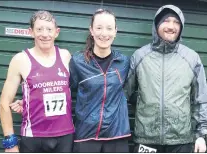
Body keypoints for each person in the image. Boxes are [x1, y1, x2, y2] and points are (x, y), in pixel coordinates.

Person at [10, 9, 131, 153]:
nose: (104, 33)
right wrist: (30, 102)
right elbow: (60, 88)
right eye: (99, 28)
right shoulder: (78, 61)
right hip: (86, 136)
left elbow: (130, 90)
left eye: (109, 28)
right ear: (91, 30)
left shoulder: (124, 62)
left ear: (115, 31)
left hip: (117, 136)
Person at [125, 5, 207, 153]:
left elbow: (201, 99)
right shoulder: (139, 56)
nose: (171, 26)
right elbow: (125, 93)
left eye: (176, 22)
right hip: (145, 139)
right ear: (157, 24)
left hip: (180, 141)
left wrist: (201, 134)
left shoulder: (191, 58)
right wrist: (144, 102)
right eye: (166, 21)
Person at [0, 10, 74, 152]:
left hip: (65, 136)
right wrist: (10, 142)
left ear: (56, 32)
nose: (45, 34)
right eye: (39, 29)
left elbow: (70, 90)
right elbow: (4, 103)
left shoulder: (65, 56)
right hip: (33, 137)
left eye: (49, 29)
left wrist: (29, 102)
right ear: (31, 32)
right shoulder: (20, 60)